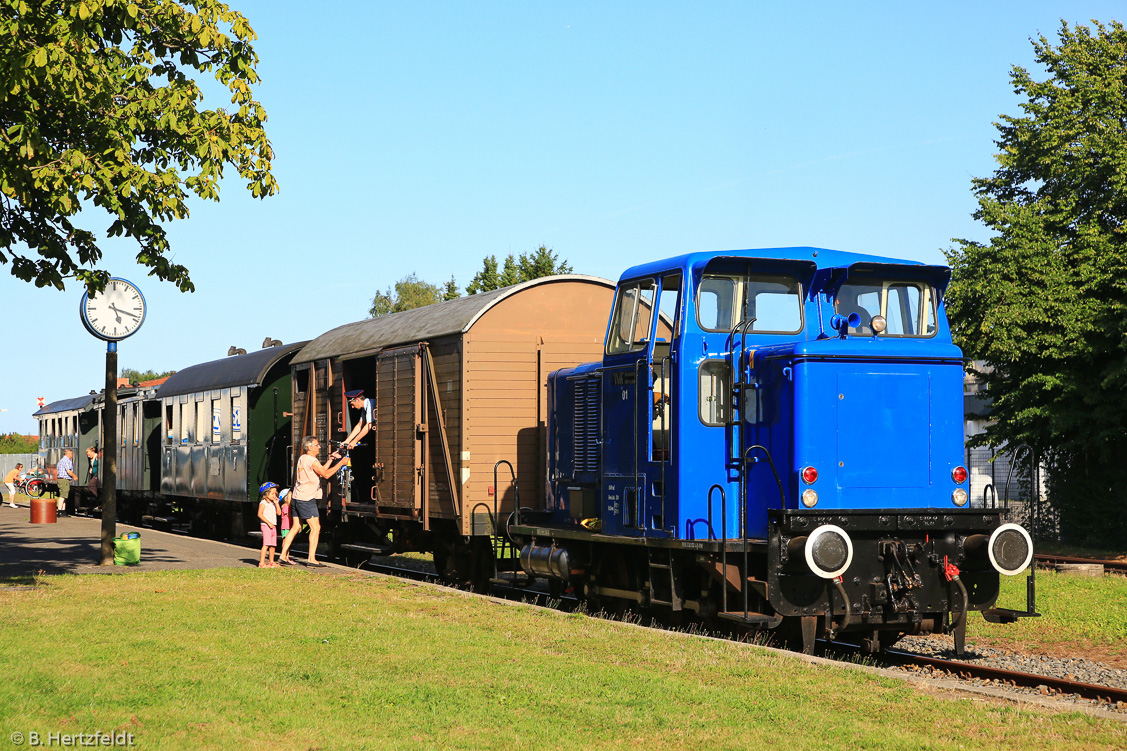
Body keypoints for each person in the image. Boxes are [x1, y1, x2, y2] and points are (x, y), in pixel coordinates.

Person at [278, 436, 347, 567]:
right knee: (316, 527)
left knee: (296, 527)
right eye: (316, 445)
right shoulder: (312, 460)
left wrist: (330, 460)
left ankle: (282, 556)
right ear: (309, 447)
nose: (319, 447)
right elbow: (326, 475)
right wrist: (341, 463)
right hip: (307, 498)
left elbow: (320, 472)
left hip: (297, 497)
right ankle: (311, 559)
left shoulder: (302, 459)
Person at [257, 482, 283, 568]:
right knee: (266, 544)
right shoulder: (263, 503)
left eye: (275, 493)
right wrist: (268, 522)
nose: (274, 495)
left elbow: (279, 513)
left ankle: (271, 562)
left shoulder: (273, 503)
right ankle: (261, 563)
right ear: (266, 493)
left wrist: (277, 503)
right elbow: (260, 514)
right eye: (272, 493)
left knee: (273, 545)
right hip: (266, 525)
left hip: (273, 526)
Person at [56, 449, 78, 515]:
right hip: (64, 480)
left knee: (64, 496)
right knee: (63, 496)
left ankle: (63, 511)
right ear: (68, 454)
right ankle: (60, 511)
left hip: (62, 479)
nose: (72, 455)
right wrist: (75, 476)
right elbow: (68, 471)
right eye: (71, 454)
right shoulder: (66, 460)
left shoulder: (61, 460)